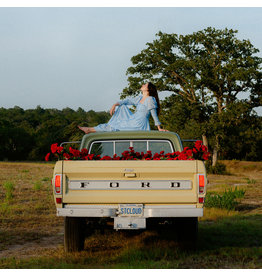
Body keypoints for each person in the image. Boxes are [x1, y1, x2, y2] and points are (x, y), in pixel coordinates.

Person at [78, 82, 168, 134]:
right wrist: (115, 104)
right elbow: (128, 101)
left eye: (145, 84)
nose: (143, 85)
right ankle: (90, 129)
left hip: (139, 124)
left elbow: (154, 114)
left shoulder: (150, 99)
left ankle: (89, 130)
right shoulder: (140, 98)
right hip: (133, 119)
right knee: (122, 107)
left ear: (148, 89)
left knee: (114, 127)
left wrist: (159, 128)